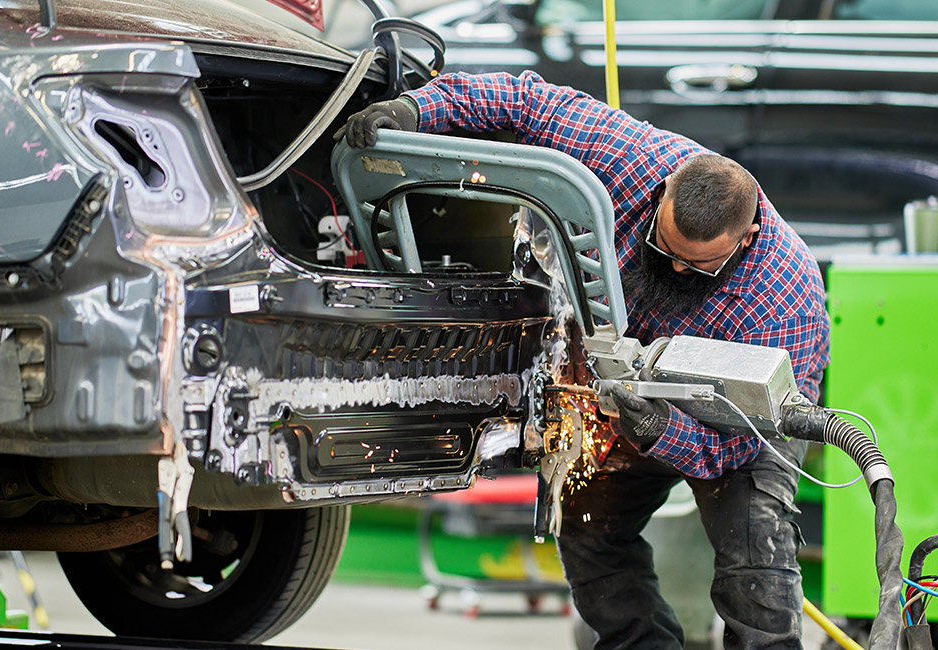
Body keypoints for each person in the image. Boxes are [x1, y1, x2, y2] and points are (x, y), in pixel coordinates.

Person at [339, 71, 829, 650]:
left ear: (746, 238)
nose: (673, 270)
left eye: (696, 268)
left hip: (735, 423)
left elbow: (745, 445)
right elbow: (523, 100)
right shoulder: (629, 161)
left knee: (755, 559)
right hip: (627, 396)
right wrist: (416, 110)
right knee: (592, 530)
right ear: (664, 190)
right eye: (662, 248)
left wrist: (664, 428)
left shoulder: (784, 299)